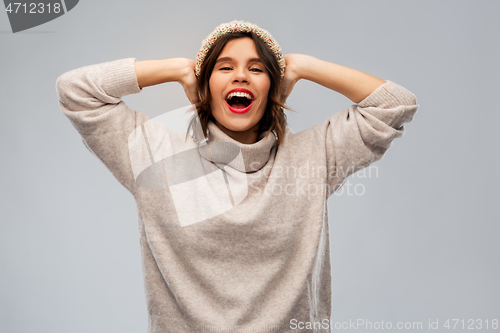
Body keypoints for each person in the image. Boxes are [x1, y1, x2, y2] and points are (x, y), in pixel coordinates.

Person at [56, 20, 419, 333]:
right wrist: (178, 69)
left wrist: (303, 66)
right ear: (205, 86)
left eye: (257, 69)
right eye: (224, 67)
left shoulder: (313, 157)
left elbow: (394, 104)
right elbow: (75, 90)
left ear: (272, 89)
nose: (241, 75)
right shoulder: (155, 155)